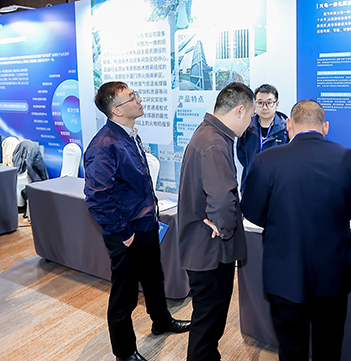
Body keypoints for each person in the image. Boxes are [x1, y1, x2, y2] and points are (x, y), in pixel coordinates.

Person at [242, 99, 351, 361]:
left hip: (285, 274)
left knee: (292, 349)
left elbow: (252, 211)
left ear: (289, 125)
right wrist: (334, 213)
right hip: (333, 275)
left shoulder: (266, 160)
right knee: (329, 348)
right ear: (325, 127)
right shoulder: (349, 157)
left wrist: (281, 220)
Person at [84, 82, 190, 361]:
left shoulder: (129, 134)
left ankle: (161, 321)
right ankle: (124, 351)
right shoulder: (103, 145)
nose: (139, 100)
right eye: (132, 97)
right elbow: (96, 197)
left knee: (154, 279)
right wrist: (123, 232)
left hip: (146, 224)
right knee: (124, 295)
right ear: (117, 110)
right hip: (127, 231)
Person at [178, 82, 255, 361]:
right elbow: (222, 199)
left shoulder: (210, 134)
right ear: (239, 110)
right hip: (209, 252)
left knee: (208, 322)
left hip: (203, 249)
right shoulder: (213, 143)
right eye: (250, 116)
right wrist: (224, 228)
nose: (249, 123)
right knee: (208, 324)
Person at [237, 83, 289, 191]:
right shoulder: (246, 127)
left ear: (277, 104)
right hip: (252, 184)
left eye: (269, 103)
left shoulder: (286, 129)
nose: (264, 107)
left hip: (277, 187)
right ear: (255, 104)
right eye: (260, 103)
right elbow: (241, 155)